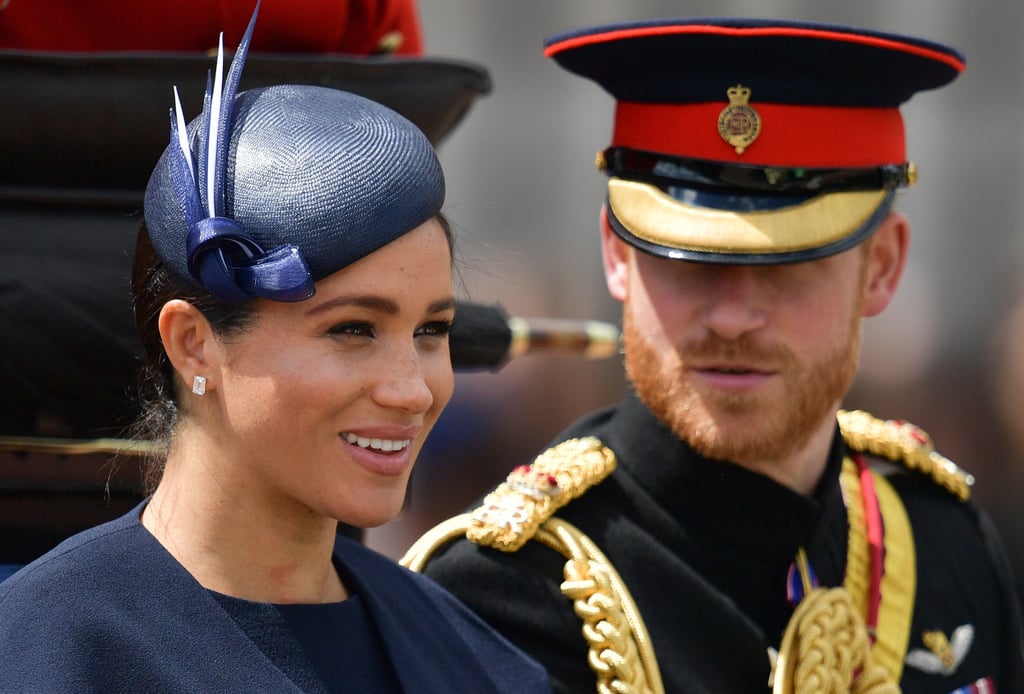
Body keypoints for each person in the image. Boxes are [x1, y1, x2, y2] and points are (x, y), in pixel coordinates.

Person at [402, 17, 1024, 693]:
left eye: (789, 266)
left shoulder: (947, 538)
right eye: (688, 262)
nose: (732, 317)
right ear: (617, 255)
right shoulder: (507, 591)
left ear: (882, 266)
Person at [0, 10, 548, 693]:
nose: (411, 390)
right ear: (193, 345)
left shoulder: (476, 664)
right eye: (352, 330)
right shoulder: (50, 653)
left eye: (430, 332)